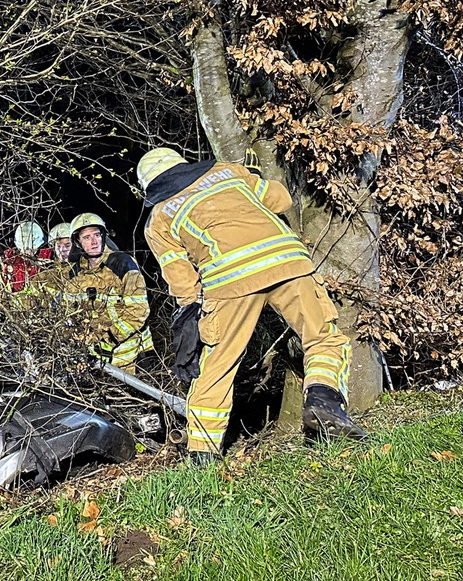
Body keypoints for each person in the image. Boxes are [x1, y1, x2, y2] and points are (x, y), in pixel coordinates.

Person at [137, 146, 367, 465]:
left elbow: (180, 278)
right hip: (287, 261)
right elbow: (282, 199)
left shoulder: (158, 217)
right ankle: (323, 398)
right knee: (323, 337)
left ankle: (202, 454)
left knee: (217, 365)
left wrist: (192, 312)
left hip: (227, 279)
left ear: (148, 186)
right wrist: (255, 176)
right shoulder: (227, 171)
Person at [61, 213, 154, 373]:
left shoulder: (123, 264)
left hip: (132, 360)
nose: (94, 241)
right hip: (96, 361)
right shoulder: (74, 275)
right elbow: (69, 314)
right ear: (78, 242)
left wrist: (107, 340)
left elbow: (138, 311)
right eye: (87, 237)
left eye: (97, 235)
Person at [0, 221, 52, 293]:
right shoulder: (8, 261)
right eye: (25, 249)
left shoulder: (47, 260)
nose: (28, 252)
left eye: (32, 249)